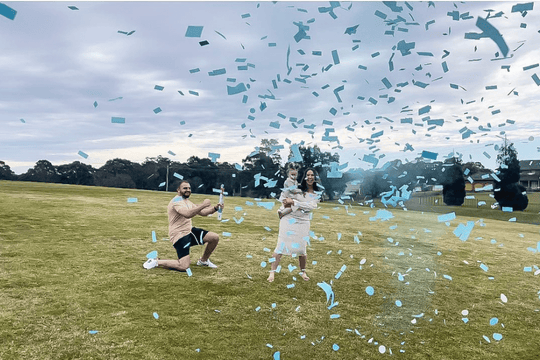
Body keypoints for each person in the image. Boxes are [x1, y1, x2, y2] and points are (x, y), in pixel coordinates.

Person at [143, 180, 223, 272]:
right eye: (185, 188)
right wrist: (203, 205)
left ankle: (203, 261)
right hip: (179, 235)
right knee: (184, 266)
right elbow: (188, 214)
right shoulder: (176, 202)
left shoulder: (187, 201)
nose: (188, 190)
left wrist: (216, 208)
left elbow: (203, 213)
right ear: (178, 190)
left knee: (214, 238)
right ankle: (156, 261)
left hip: (189, 231)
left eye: (189, 188)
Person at [267, 168, 321, 282]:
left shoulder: (317, 194)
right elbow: (285, 197)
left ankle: (303, 272)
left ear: (316, 178)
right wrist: (286, 204)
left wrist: (294, 202)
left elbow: (310, 206)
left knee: (302, 248)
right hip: (289, 219)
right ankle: (272, 272)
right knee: (280, 245)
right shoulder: (298, 188)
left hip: (303, 221)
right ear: (305, 177)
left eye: (312, 175)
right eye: (308, 175)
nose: (310, 177)